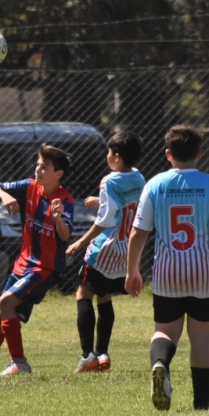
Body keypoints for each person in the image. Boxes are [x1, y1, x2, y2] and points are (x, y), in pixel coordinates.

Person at [126, 125, 209, 411]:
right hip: (204, 273)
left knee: (165, 331)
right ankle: (201, 404)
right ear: (200, 153)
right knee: (201, 336)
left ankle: (160, 364)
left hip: (168, 273)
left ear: (168, 155)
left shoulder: (154, 185)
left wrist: (132, 270)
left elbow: (138, 232)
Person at [0, 144, 74, 376]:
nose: (38, 170)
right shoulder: (29, 186)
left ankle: (19, 363)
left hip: (45, 268)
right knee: (0, 315)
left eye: (44, 167)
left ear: (58, 174)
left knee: (6, 302)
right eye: (38, 165)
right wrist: (5, 195)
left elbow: (65, 235)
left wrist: (58, 218)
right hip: (23, 263)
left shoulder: (64, 199)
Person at [64, 131, 144, 373]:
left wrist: (80, 242)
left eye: (109, 152)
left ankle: (87, 355)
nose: (107, 156)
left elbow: (105, 221)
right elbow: (127, 204)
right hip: (126, 249)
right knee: (105, 296)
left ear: (116, 157)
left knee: (83, 293)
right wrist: (100, 200)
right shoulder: (139, 177)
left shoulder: (109, 181)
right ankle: (103, 354)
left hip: (106, 247)